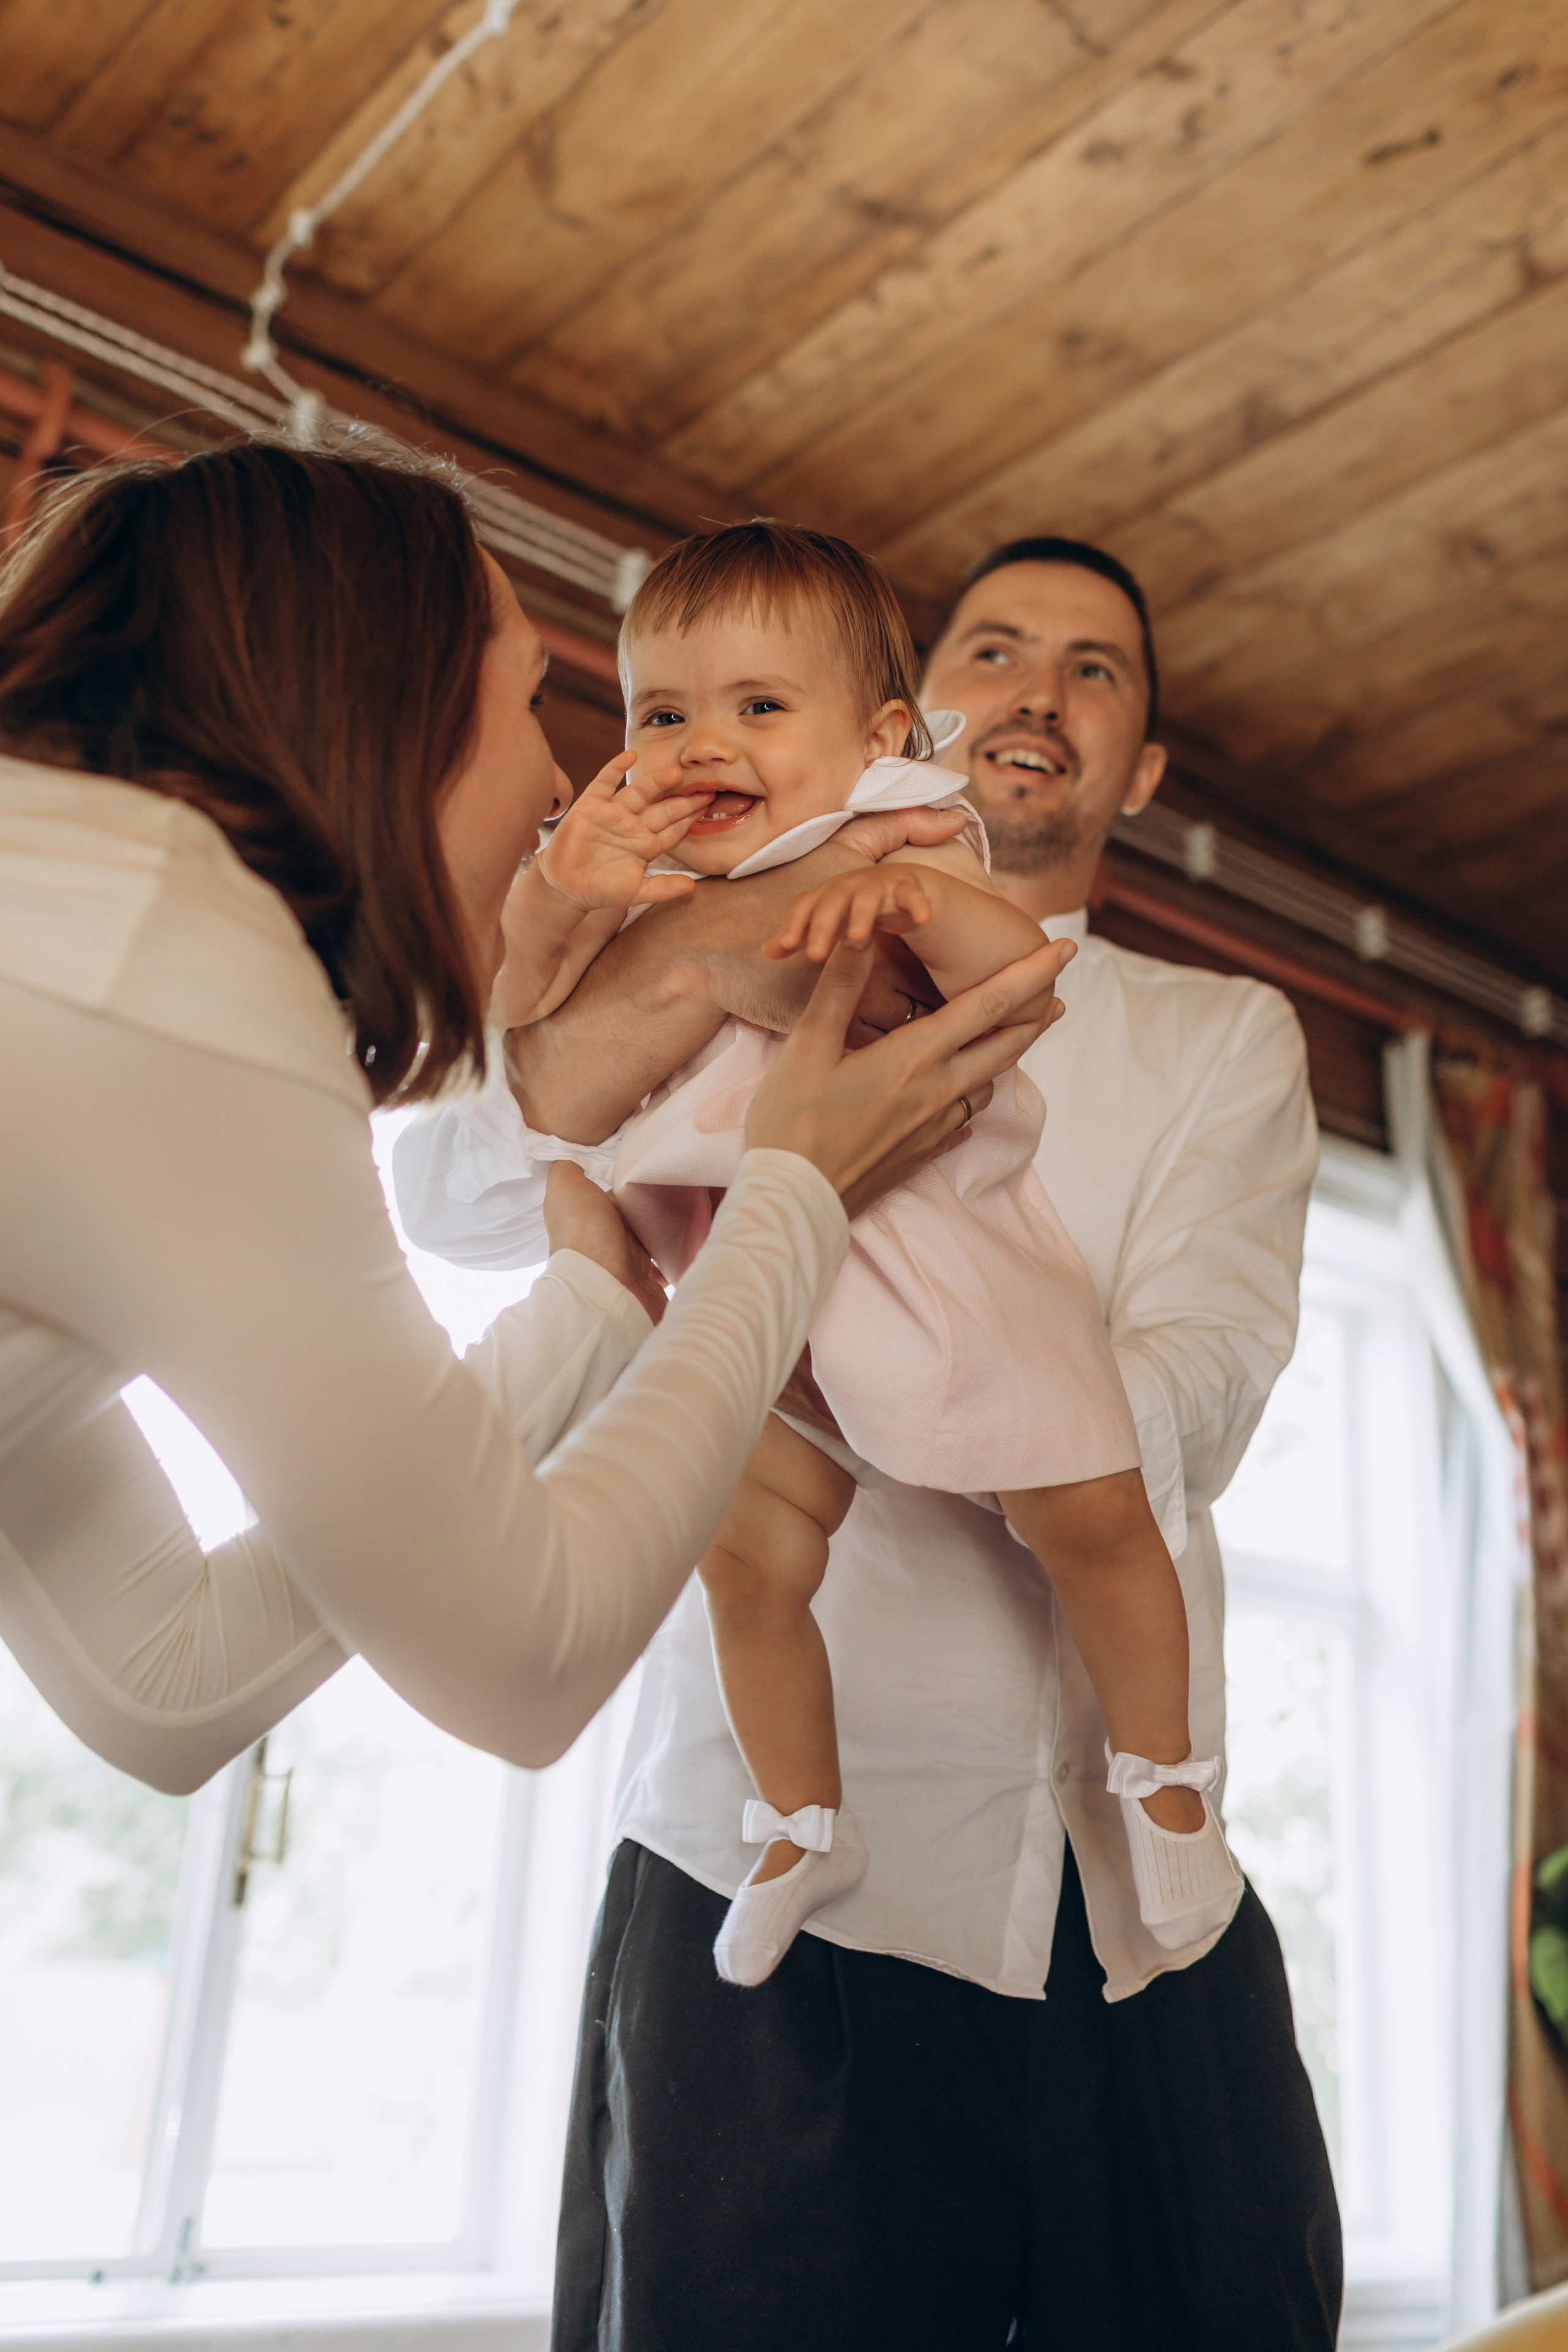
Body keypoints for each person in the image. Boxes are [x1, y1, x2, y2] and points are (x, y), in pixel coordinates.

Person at [399, 531, 1340, 2348]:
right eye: (999, 649)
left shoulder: (1226, 1036)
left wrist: (890, 1388)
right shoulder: (662, 930)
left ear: (1139, 764)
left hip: (1127, 1896)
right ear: (923, 708)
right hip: (750, 1875)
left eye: (1093, 669)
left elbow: (1208, 1380)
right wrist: (679, 959)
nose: (1037, 692)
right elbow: (456, 1195)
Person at [0, 442, 1065, 1800]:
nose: (561, 789)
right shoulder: (172, 983)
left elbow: (161, 1677)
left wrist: (597, 1307)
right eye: (526, 704)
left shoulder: (98, 941)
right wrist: (797, 1194)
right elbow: (525, 1665)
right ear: (389, 716)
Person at [478, 518, 1239, 1991]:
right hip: (756, 1297)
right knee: (744, 1555)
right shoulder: (640, 877)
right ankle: (797, 1821)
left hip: (932, 1277)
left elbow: (1016, 980)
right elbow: (506, 1028)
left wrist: (912, 907)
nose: (702, 746)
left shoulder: (897, 835)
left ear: (884, 740)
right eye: (660, 714)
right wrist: (562, 890)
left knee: (1094, 1522)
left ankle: (1165, 1781)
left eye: (758, 707)